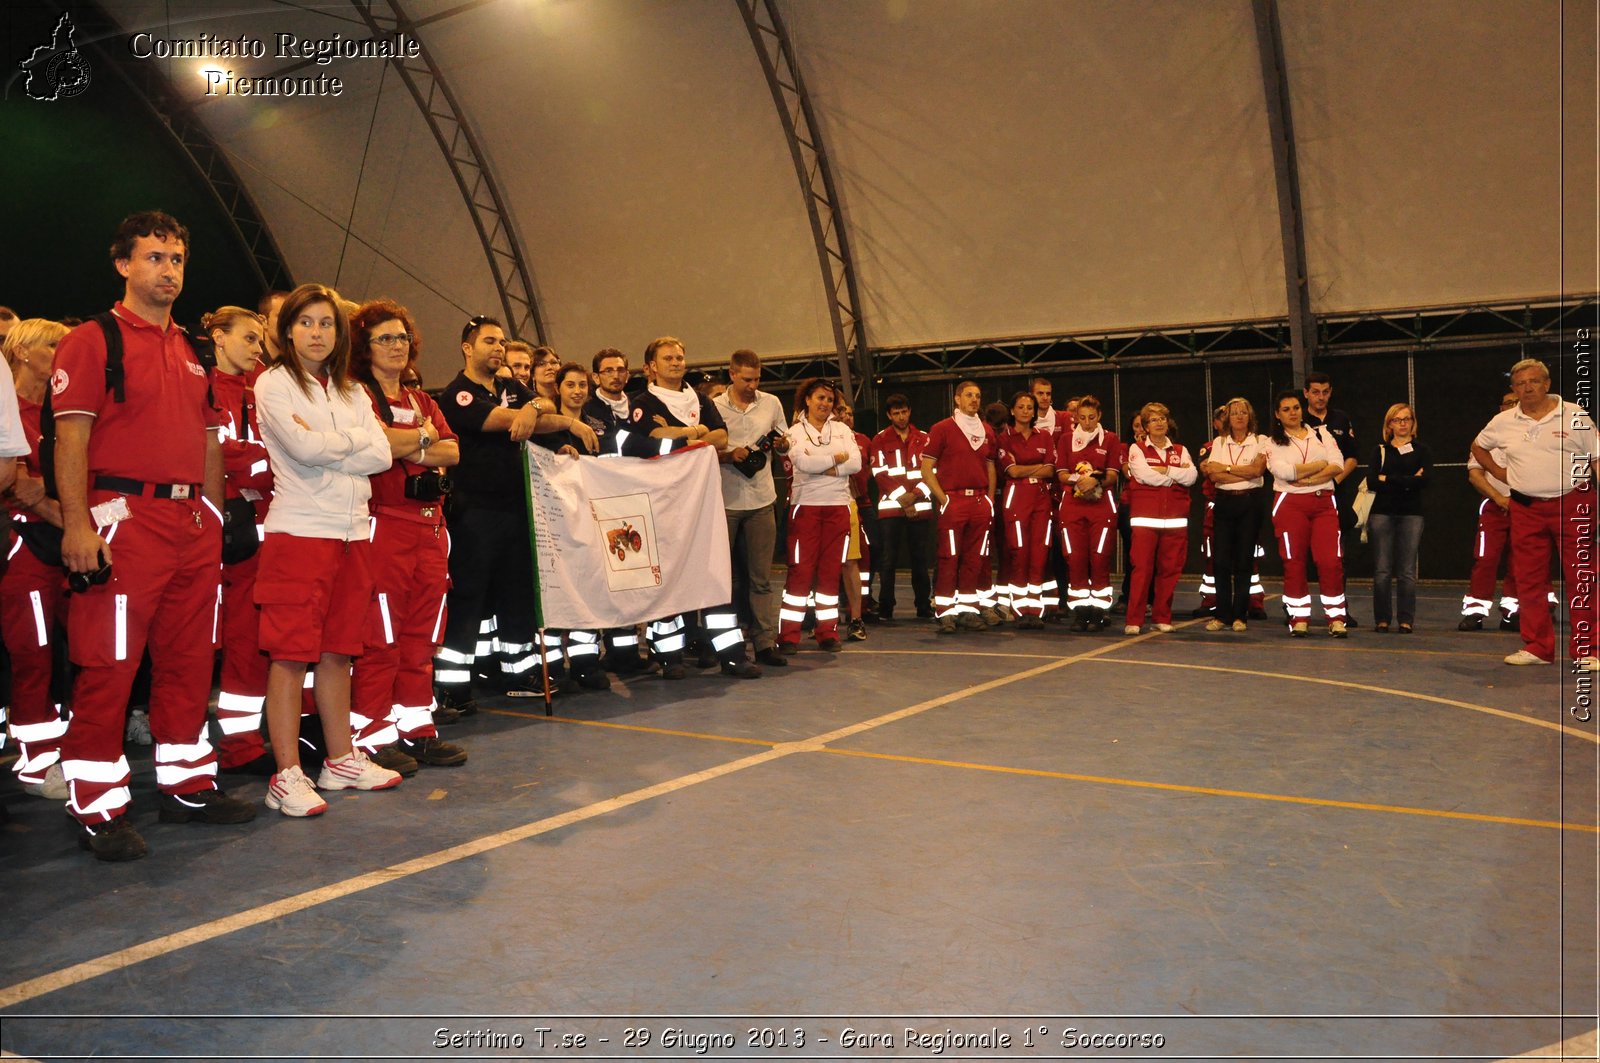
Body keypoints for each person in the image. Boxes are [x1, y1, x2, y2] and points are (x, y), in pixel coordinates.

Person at [54, 211, 255, 860]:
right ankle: (96, 804)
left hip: (191, 525)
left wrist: (215, 516)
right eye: (154, 257)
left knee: (190, 661)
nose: (167, 270)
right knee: (108, 666)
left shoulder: (193, 349)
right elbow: (71, 437)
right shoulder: (93, 340)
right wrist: (79, 524)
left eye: (176, 259)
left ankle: (188, 784)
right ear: (123, 264)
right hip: (124, 523)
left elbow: (207, 442)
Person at [252, 283, 401, 817]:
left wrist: (336, 446)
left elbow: (382, 454)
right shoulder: (272, 384)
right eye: (307, 322)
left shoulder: (353, 390)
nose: (318, 333)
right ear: (287, 329)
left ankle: (340, 760)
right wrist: (350, 445)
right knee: (290, 656)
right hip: (299, 534)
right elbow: (302, 448)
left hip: (353, 533)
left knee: (340, 652)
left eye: (327, 324)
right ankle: (285, 773)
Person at [433, 317, 596, 713]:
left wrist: (542, 410)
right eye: (489, 341)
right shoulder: (459, 394)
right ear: (467, 348)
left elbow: (548, 408)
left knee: (517, 592)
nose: (498, 347)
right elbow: (502, 422)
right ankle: (453, 687)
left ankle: (518, 673)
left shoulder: (509, 387)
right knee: (470, 598)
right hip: (475, 511)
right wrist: (529, 414)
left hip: (516, 507)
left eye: (501, 341)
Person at [347, 298, 470, 772]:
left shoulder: (422, 401)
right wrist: (423, 441)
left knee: (423, 637)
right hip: (385, 529)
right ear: (365, 346)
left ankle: (416, 727)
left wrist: (409, 444)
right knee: (381, 637)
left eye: (401, 337)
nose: (396, 346)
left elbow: (454, 453)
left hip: (431, 530)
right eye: (384, 338)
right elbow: (379, 448)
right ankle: (373, 734)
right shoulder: (357, 396)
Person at [627, 336, 760, 679]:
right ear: (651, 366)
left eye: (680, 357)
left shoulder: (699, 398)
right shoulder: (641, 401)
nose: (676, 362)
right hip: (664, 502)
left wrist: (683, 434)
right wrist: (697, 431)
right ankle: (669, 656)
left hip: (704, 500)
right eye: (668, 358)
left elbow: (722, 437)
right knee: (669, 578)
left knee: (716, 575)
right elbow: (652, 438)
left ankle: (731, 653)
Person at [1471, 359, 1600, 667]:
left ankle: (1589, 649)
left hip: (1574, 502)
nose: (1527, 388)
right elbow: (1478, 447)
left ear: (1547, 384)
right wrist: (1501, 474)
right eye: (1520, 383)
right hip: (1526, 506)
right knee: (1528, 578)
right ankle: (1537, 647)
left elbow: (1596, 458)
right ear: (1513, 389)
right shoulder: (1503, 421)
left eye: (1533, 381)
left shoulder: (1575, 414)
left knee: (1582, 576)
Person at [1, 318, 71, 799]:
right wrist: (65, 511)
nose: (62, 352)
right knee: (33, 654)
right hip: (26, 546)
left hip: (64, 545)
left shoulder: (63, 412)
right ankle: (36, 762)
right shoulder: (15, 411)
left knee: (72, 653)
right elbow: (18, 485)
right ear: (24, 351)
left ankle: (65, 747)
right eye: (53, 345)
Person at [205, 306, 276, 776]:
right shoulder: (201, 386)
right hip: (218, 533)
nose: (256, 349)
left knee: (251, 645)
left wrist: (258, 462)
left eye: (259, 341)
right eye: (249, 339)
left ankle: (245, 744)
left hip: (259, 535)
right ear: (217, 337)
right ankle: (230, 745)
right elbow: (214, 452)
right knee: (213, 646)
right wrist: (261, 463)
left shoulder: (261, 390)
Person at [713, 349, 789, 667]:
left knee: (761, 578)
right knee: (722, 579)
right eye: (747, 379)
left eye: (757, 378)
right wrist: (730, 455)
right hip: (724, 501)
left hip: (761, 499)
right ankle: (726, 647)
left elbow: (785, 437)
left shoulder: (771, 403)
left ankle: (764, 643)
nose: (753, 384)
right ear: (731, 374)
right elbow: (703, 449)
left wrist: (784, 444)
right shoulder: (713, 407)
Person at [777, 378, 860, 652]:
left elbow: (857, 463)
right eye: (820, 398)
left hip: (838, 507)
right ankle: (788, 635)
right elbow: (803, 462)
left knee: (829, 572)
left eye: (829, 399)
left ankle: (828, 632)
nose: (825, 403)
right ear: (808, 400)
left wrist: (825, 464)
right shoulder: (794, 432)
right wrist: (838, 458)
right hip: (806, 509)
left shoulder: (841, 429)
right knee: (800, 572)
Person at [1264, 389, 1348, 637]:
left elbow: (1338, 464)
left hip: (1324, 504)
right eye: (1286, 409)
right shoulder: (1271, 442)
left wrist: (1310, 479)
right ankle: (1299, 617)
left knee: (1330, 561)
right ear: (1278, 415)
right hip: (1289, 504)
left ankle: (1336, 618)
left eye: (1296, 408)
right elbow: (1284, 472)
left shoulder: (1321, 434)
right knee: (1294, 561)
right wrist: (1319, 466)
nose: (1293, 413)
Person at [921, 380, 998, 634]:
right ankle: (945, 611)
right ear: (957, 399)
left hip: (979, 503)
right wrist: (944, 499)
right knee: (948, 558)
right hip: (954, 501)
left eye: (977, 395)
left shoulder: (987, 429)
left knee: (974, 560)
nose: (974, 400)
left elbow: (990, 466)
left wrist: (988, 499)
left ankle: (967, 609)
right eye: (969, 395)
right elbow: (926, 469)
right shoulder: (942, 428)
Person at [1122, 402, 1197, 634]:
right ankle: (1134, 620)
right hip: (1145, 521)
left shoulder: (1181, 450)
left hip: (1175, 521)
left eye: (1162, 419)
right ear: (1145, 426)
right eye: (1153, 420)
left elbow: (1192, 476)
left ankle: (1161, 617)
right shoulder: (1136, 449)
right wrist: (1175, 476)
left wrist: (1166, 472)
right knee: (1141, 570)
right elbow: (1144, 477)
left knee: (1170, 571)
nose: (1159, 423)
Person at [1199, 397, 1268, 632]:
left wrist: (1226, 468)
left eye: (1243, 412)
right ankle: (1221, 615)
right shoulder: (1219, 442)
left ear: (1250, 417)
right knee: (1220, 561)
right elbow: (1214, 476)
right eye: (1234, 413)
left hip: (1250, 503)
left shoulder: (1261, 441)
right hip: (1224, 503)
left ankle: (1240, 615)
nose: (1239, 416)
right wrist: (1243, 473)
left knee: (1244, 561)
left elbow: (1258, 470)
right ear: (1227, 418)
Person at [1056, 395, 1122, 631]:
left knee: (1100, 556)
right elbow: (1062, 474)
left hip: (1101, 506)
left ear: (1099, 416)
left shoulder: (1111, 439)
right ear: (1075, 418)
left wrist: (1095, 480)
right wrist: (1078, 481)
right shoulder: (1065, 440)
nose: (1087, 422)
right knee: (1075, 558)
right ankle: (1080, 611)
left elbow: (1113, 474)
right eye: (1082, 418)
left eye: (1091, 417)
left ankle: (1099, 611)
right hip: (1072, 508)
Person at [1365, 403, 1431, 633]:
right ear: (1389, 424)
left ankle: (1406, 619)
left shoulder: (1422, 450)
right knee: (1382, 570)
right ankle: (1382, 619)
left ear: (1413, 423)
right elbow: (1372, 481)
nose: (1403, 423)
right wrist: (1407, 480)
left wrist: (1388, 479)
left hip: (1412, 514)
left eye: (1407, 419)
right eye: (1397, 419)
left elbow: (1424, 481)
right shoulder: (1379, 451)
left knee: (1407, 572)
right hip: (1381, 513)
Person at [869, 394, 935, 622]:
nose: (901, 416)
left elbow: (932, 473)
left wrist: (915, 497)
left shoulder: (926, 438)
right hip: (891, 510)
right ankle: (886, 607)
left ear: (910, 411)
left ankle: (923, 606)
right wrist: (904, 501)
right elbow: (880, 474)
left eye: (904, 411)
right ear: (889, 415)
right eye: (896, 413)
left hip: (920, 508)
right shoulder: (879, 439)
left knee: (920, 559)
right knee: (888, 560)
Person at [1303, 371, 1362, 626]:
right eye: (1315, 392)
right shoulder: (1298, 418)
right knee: (1300, 555)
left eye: (1325, 392)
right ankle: (1296, 610)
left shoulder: (1341, 418)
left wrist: (1333, 480)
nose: (1320, 397)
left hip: (1334, 494)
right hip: (1302, 495)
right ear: (1306, 393)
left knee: (1336, 556)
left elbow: (1351, 458)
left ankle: (1340, 609)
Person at [1459, 392, 1521, 631]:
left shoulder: (1532, 436)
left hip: (1526, 508)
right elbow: (1474, 474)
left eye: (1518, 402)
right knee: (1485, 559)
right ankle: (1475, 611)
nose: (1514, 406)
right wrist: (1499, 498)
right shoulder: (1487, 436)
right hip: (1494, 507)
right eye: (1509, 402)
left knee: (1520, 561)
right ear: (1500, 407)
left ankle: (1512, 613)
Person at [997, 390, 1054, 628]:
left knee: (1039, 553)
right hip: (1016, 498)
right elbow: (1011, 471)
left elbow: (1051, 470)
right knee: (1019, 552)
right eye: (1021, 407)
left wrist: (1026, 468)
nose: (1026, 411)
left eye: (1029, 407)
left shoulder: (1045, 436)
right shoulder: (1004, 438)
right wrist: (1037, 467)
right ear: (1012, 410)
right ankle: (1019, 609)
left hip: (1041, 499)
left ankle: (1035, 609)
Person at [835, 394, 874, 639]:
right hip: (816, 504)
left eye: (847, 412)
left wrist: (827, 465)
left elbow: (856, 466)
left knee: (853, 562)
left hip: (851, 504)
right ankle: (822, 621)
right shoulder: (802, 432)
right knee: (821, 566)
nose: (842, 415)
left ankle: (857, 617)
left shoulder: (855, 438)